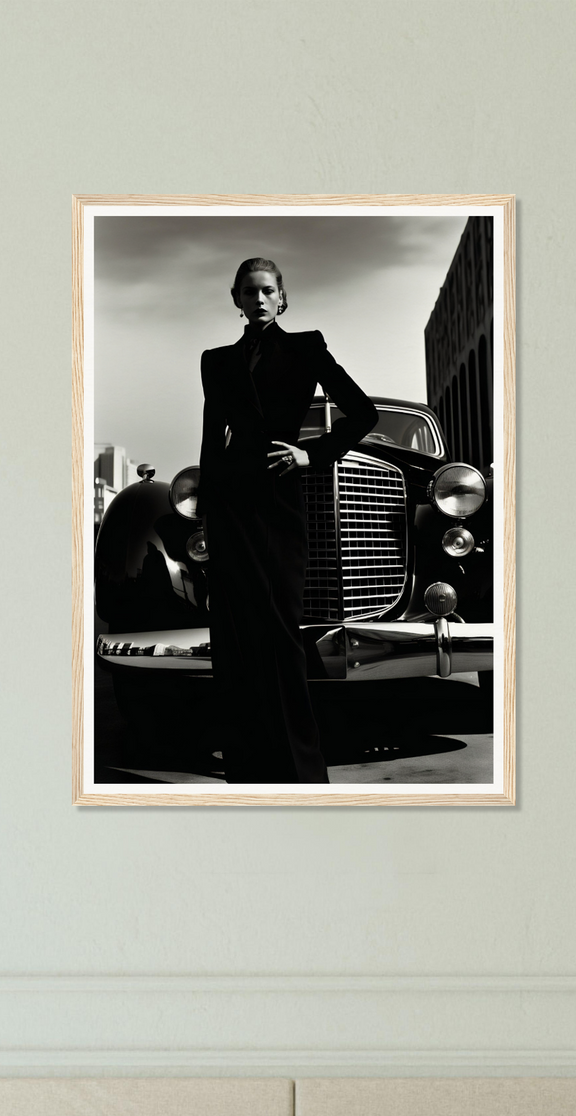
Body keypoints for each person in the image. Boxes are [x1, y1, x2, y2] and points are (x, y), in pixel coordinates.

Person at [198, 258, 377, 784]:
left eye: (267, 291)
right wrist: (207, 517)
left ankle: (302, 772)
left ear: (282, 298)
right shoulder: (215, 361)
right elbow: (211, 440)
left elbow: (362, 413)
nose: (258, 299)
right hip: (231, 509)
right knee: (235, 638)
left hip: (279, 504)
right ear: (236, 299)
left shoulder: (306, 347)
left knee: (280, 634)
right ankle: (246, 770)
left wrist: (311, 454)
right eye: (248, 291)